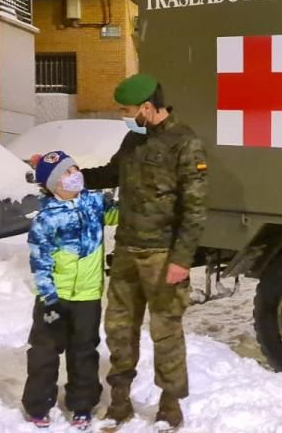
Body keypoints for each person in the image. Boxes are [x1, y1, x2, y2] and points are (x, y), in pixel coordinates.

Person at [82, 73, 208, 430]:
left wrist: (182, 260)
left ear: (148, 108)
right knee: (119, 327)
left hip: (162, 255)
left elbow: (195, 209)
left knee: (165, 331)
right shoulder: (132, 139)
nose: (125, 115)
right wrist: (71, 174)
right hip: (126, 249)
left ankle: (170, 405)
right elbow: (111, 173)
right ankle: (120, 401)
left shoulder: (185, 144)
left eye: (128, 109)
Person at [23, 150, 117, 430]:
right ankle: (38, 405)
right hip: (55, 297)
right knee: (44, 353)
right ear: (54, 184)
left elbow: (118, 215)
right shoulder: (46, 218)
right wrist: (49, 299)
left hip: (88, 297)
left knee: (84, 352)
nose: (75, 174)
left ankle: (82, 404)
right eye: (67, 172)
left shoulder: (94, 203)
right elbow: (39, 261)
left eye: (75, 168)